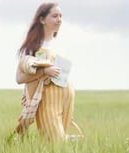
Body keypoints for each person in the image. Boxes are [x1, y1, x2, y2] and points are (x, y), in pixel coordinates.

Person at [13, 2, 83, 141]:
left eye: (61, 16)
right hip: (46, 101)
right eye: (54, 16)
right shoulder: (32, 47)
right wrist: (44, 71)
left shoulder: (61, 44)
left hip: (66, 99)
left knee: (60, 141)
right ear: (42, 19)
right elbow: (19, 78)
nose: (59, 19)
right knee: (55, 142)